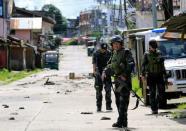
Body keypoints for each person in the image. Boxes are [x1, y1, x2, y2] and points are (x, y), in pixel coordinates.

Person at [103, 35, 134, 128]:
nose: (115, 45)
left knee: (123, 102)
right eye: (114, 44)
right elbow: (109, 64)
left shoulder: (126, 52)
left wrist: (124, 75)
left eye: (117, 44)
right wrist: (105, 71)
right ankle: (123, 121)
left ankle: (120, 121)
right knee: (118, 102)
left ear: (121, 44)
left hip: (124, 81)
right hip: (117, 81)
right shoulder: (114, 53)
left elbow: (131, 64)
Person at [141, 40, 166, 114]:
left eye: (155, 47)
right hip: (151, 76)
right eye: (152, 47)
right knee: (152, 93)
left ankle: (157, 105)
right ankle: (154, 109)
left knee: (161, 92)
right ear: (149, 46)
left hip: (159, 75)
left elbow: (162, 65)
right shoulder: (146, 54)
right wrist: (143, 75)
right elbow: (143, 65)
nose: (154, 49)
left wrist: (165, 74)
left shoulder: (159, 53)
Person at [92, 42, 112, 112]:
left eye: (105, 49)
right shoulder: (96, 53)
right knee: (98, 91)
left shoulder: (109, 53)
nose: (104, 50)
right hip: (98, 73)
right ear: (100, 48)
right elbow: (94, 63)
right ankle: (99, 106)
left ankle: (108, 106)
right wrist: (94, 72)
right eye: (103, 49)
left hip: (107, 73)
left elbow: (111, 63)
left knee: (108, 90)